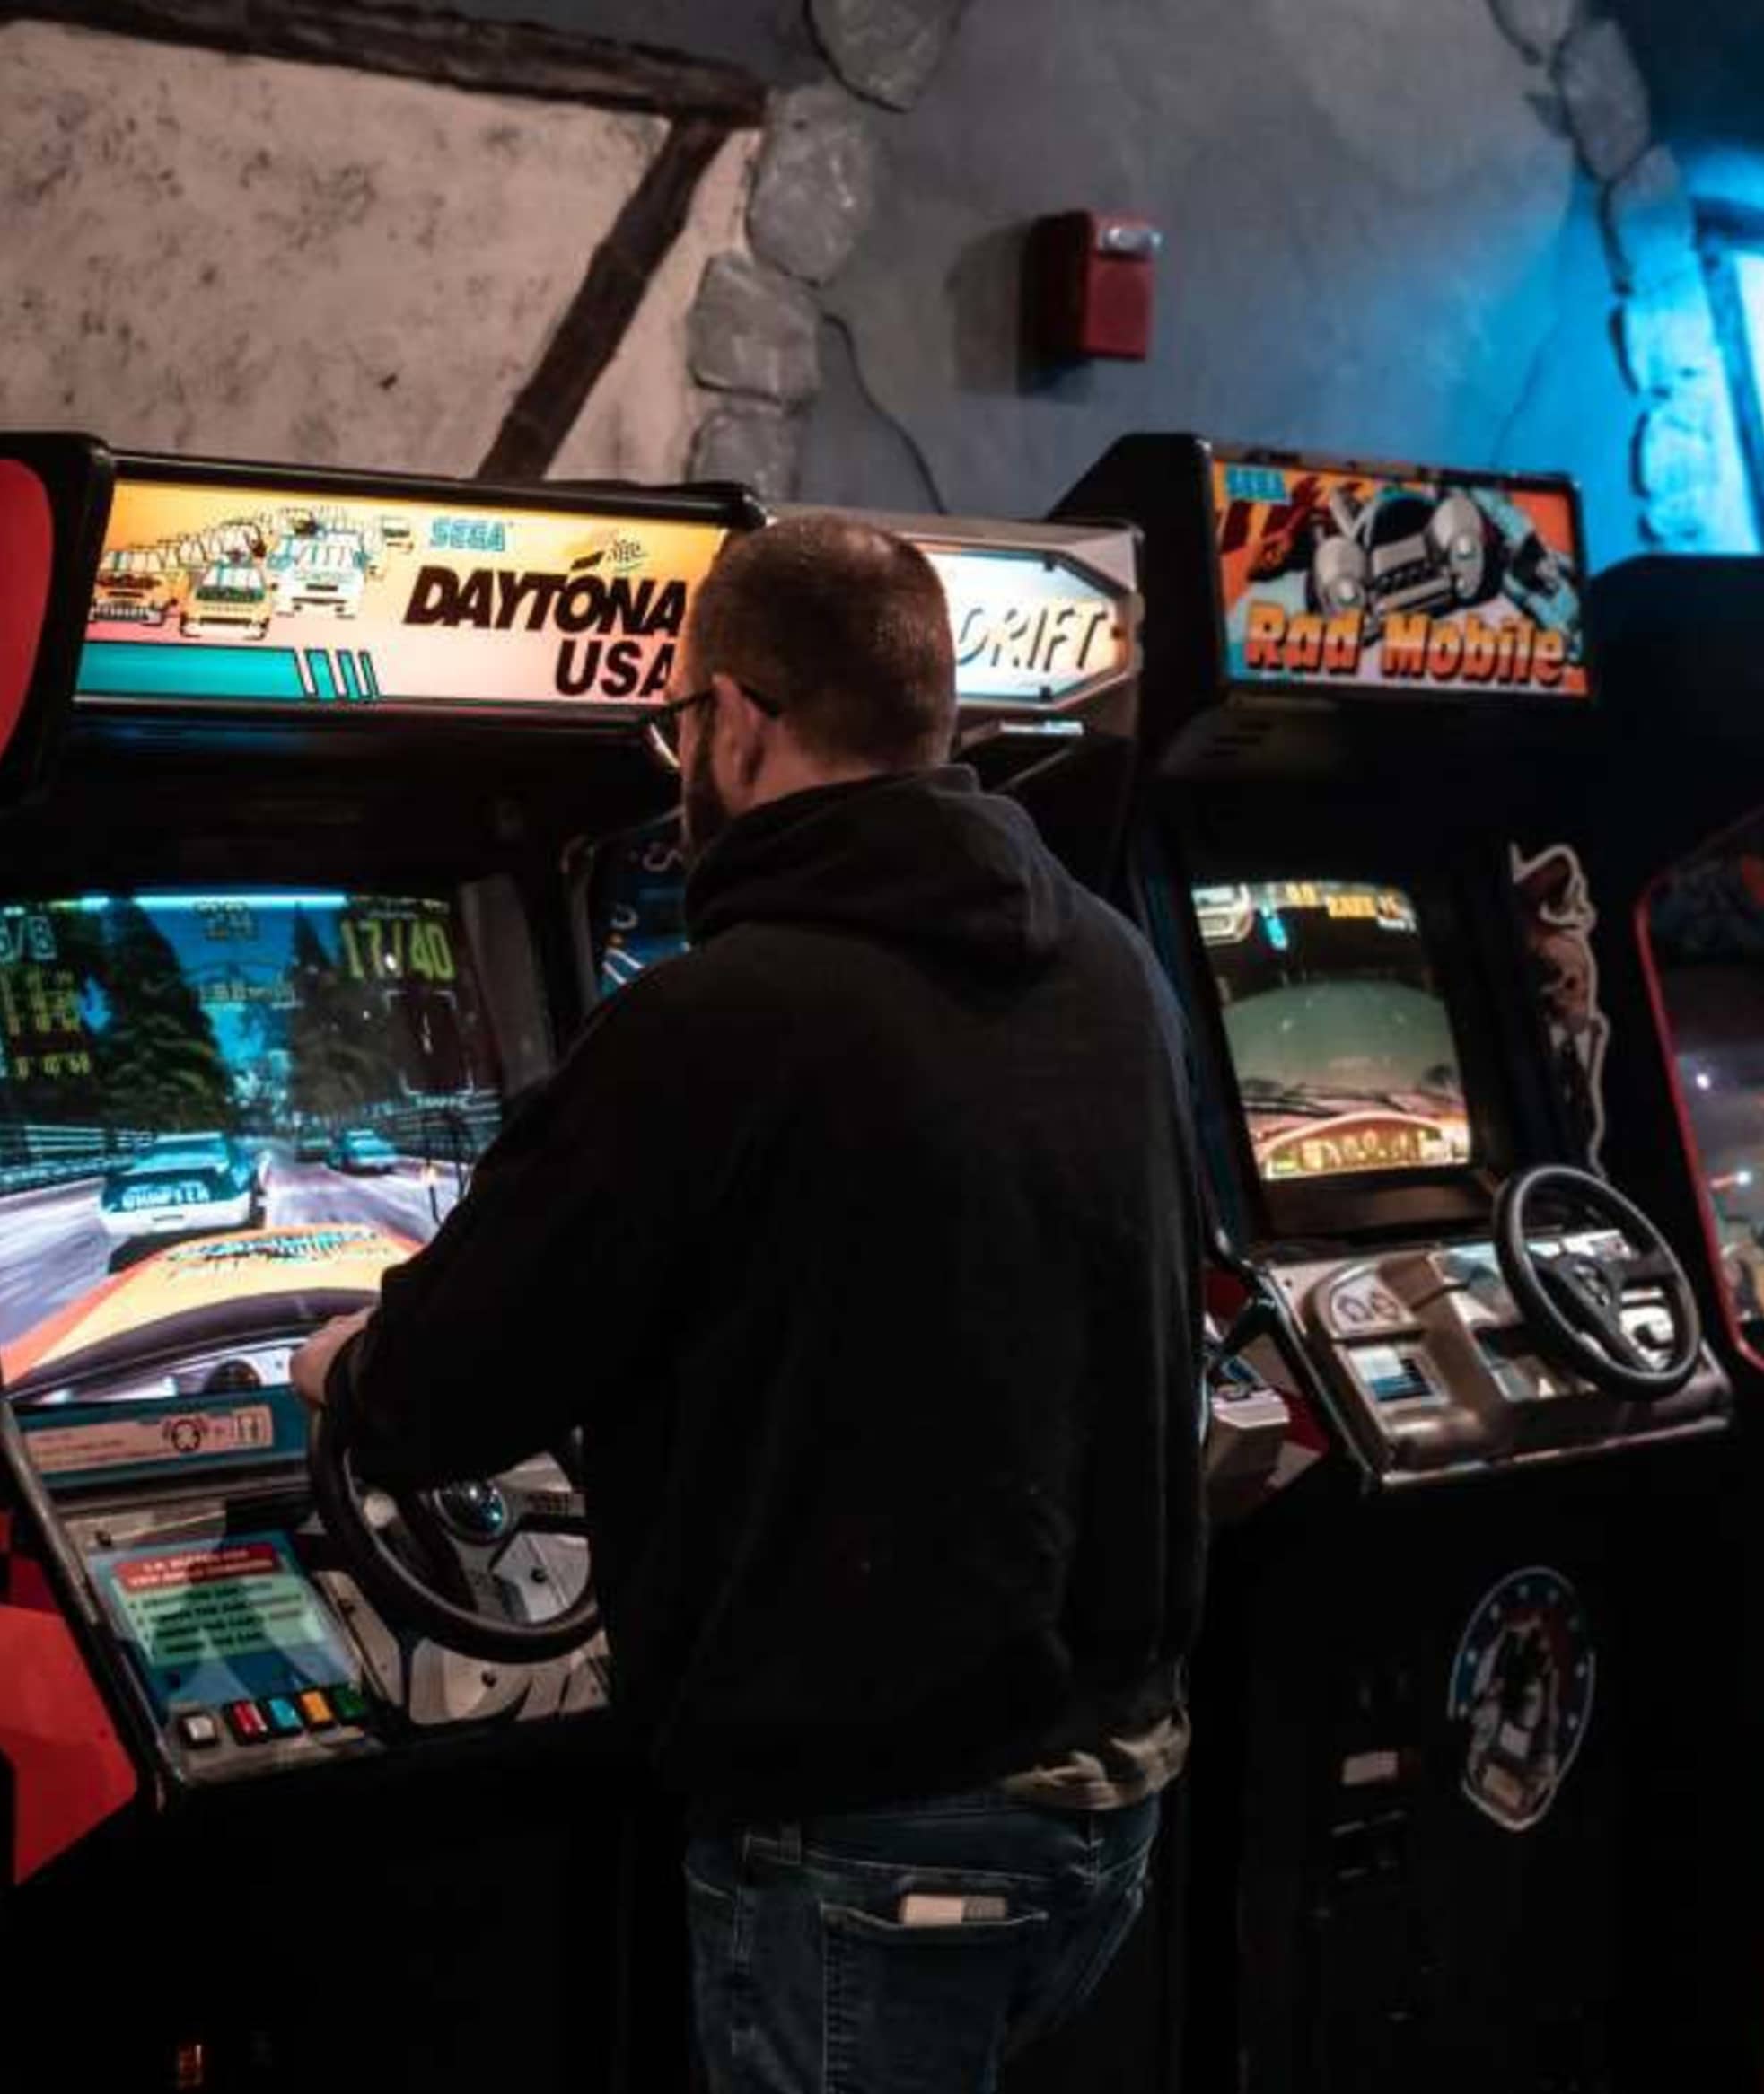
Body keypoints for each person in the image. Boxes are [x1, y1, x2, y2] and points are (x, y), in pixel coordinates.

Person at [290, 516, 1206, 2094]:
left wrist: (343, 1369)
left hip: (874, 1822)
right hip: (1105, 1800)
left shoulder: (723, 1018)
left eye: (677, 725)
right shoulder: (1113, 965)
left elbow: (455, 1380)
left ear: (738, 718)